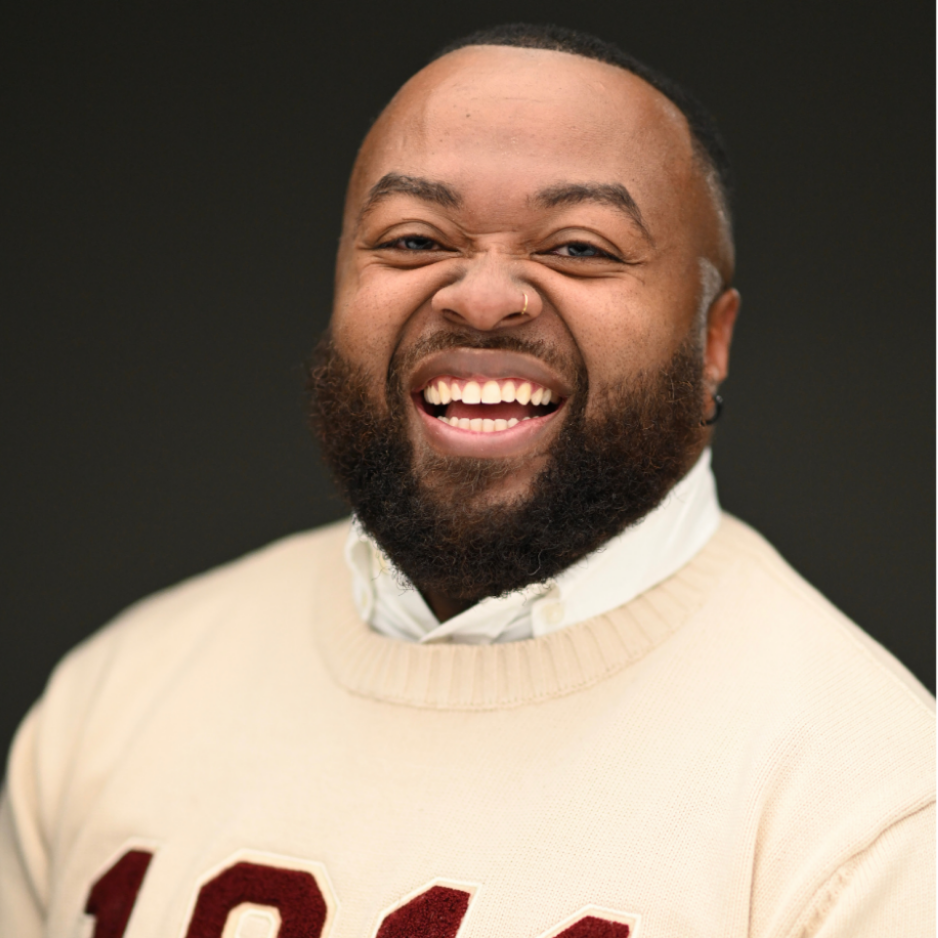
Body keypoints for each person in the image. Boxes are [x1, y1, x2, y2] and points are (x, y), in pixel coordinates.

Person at [0, 23, 933, 938]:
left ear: (712, 340)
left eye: (579, 247)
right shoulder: (118, 696)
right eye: (413, 240)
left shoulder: (873, 821)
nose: (482, 298)